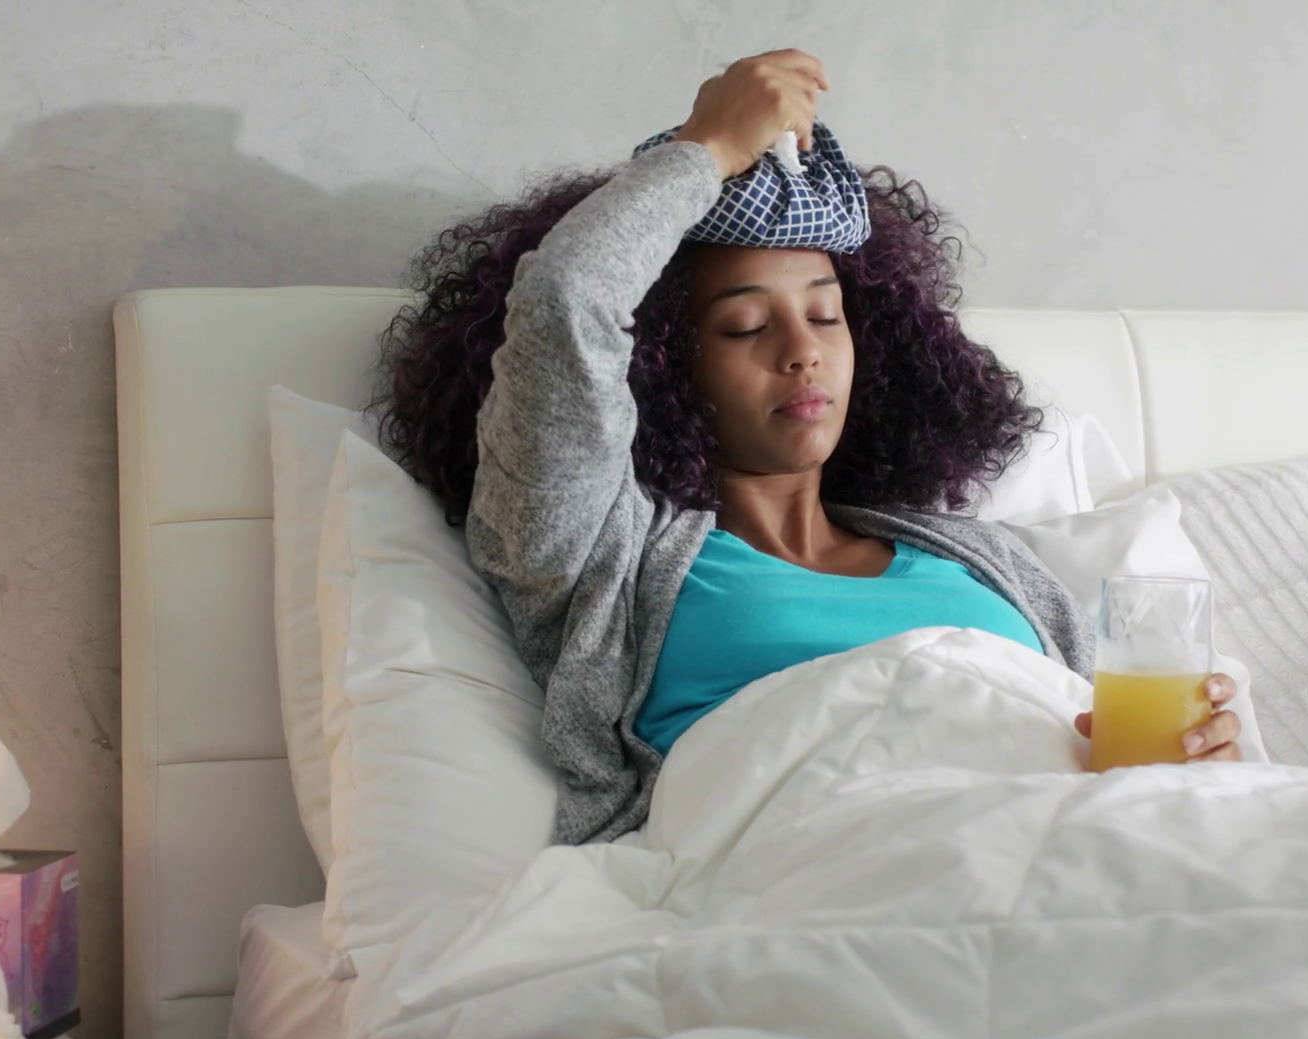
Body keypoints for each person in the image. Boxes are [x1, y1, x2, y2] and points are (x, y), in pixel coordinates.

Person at [378, 49, 1242, 844]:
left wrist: (1203, 773)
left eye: (826, 315)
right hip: (826, 876)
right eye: (745, 325)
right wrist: (706, 148)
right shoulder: (602, 563)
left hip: (1070, 849)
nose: (804, 350)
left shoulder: (989, 563)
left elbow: (1119, 767)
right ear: (660, 363)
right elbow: (566, 302)